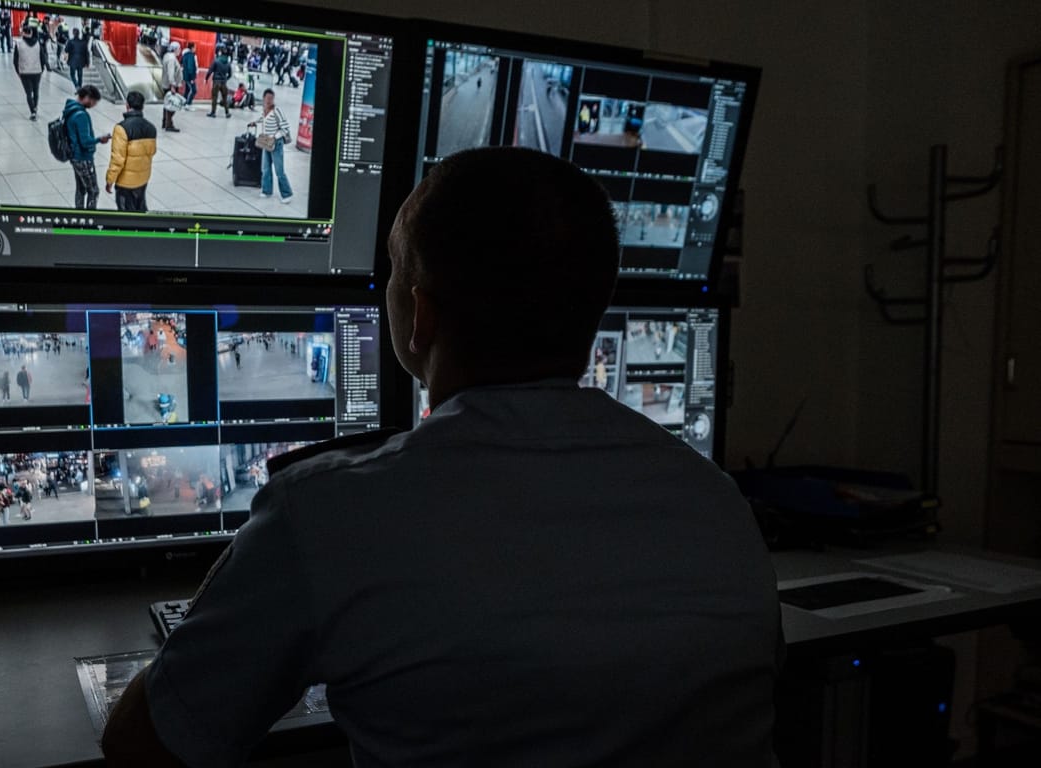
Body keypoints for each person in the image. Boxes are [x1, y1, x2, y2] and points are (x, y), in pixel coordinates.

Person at [99, 147, 781, 768]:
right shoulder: (717, 499)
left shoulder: (329, 513)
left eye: (394, 272)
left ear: (418, 316)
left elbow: (144, 746)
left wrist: (247, 563)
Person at [105, 92, 158, 212]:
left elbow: (117, 160)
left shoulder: (121, 128)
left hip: (125, 183)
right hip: (143, 179)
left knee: (126, 216)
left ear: (127, 105)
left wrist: (110, 180)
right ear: (142, 107)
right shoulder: (151, 128)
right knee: (140, 209)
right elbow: (152, 151)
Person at [63, 86, 111, 210]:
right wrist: (100, 139)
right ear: (87, 98)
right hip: (83, 158)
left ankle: (79, 214)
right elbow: (85, 142)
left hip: (74, 156)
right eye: (94, 102)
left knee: (81, 188)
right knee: (93, 191)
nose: (94, 105)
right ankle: (90, 218)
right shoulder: (81, 115)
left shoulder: (70, 109)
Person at [251, 89, 293, 204]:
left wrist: (275, 137)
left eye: (271, 98)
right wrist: (255, 122)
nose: (269, 100)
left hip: (276, 143)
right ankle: (266, 190)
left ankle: (287, 194)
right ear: (264, 98)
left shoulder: (277, 111)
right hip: (266, 142)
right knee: (265, 168)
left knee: (279, 171)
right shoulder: (264, 110)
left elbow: (285, 128)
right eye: (268, 98)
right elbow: (262, 119)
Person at [13, 24, 44, 120]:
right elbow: (43, 58)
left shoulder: (19, 44)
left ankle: (32, 112)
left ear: (23, 32)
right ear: (31, 33)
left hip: (24, 72)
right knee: (36, 91)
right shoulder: (38, 43)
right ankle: (35, 109)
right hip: (37, 71)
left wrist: (18, 71)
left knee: (28, 93)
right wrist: (41, 69)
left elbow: (15, 60)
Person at [158, 42, 183, 132]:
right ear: (175, 49)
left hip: (166, 84)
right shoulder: (172, 58)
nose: (180, 51)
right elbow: (171, 72)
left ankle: (165, 122)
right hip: (170, 85)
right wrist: (172, 85)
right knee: (172, 105)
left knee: (167, 104)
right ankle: (169, 124)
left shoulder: (167, 56)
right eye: (179, 49)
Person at [206, 47, 232, 118]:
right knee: (225, 98)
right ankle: (227, 113)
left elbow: (210, 71)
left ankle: (213, 112)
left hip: (216, 82)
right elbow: (230, 74)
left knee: (214, 97)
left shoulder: (216, 61)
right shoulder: (228, 63)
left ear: (221, 53)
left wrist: (206, 78)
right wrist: (226, 79)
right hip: (224, 83)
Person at [180, 42, 198, 109]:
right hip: (189, 77)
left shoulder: (185, 54)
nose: (195, 49)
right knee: (194, 90)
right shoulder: (191, 55)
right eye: (195, 47)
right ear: (192, 48)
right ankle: (188, 103)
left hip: (185, 75)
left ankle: (183, 102)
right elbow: (190, 67)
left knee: (187, 90)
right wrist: (192, 78)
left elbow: (181, 62)